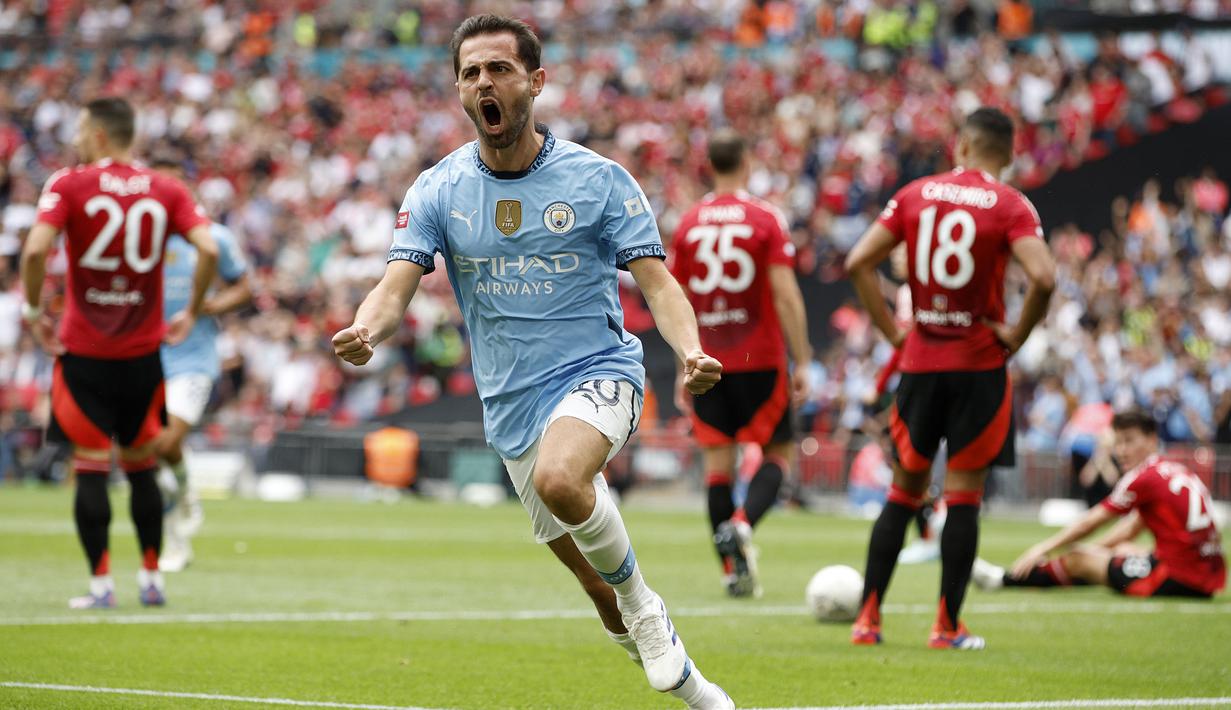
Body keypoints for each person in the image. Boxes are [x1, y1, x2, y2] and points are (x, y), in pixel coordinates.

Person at [331, 15, 732, 709]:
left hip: (597, 371)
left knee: (563, 482)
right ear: (459, 90)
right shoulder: (437, 188)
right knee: (594, 593)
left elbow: (659, 284)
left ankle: (647, 604)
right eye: (469, 73)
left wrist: (690, 349)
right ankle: (700, 694)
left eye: (498, 69)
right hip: (510, 405)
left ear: (535, 82)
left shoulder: (600, 181)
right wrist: (367, 329)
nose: (483, 83)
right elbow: (394, 287)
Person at [843, 107, 1056, 650]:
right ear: (1008, 154)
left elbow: (857, 262)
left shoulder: (916, 193)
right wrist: (1018, 334)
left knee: (903, 491)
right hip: (979, 365)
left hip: (919, 364)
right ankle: (947, 626)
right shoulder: (1010, 204)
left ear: (961, 144)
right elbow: (1045, 277)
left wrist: (894, 332)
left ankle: (868, 620)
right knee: (963, 497)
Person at [20, 97, 218, 609]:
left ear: (102, 134)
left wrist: (33, 313)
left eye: (83, 129)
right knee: (139, 465)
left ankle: (101, 586)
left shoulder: (68, 183)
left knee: (89, 468)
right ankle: (152, 578)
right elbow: (210, 249)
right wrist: (192, 310)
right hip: (142, 356)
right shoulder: (168, 188)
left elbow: (37, 249)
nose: (78, 139)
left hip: (83, 352)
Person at [669, 129, 812, 598]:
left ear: (709, 164)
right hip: (759, 357)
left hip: (707, 358)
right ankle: (744, 523)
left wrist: (681, 363)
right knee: (779, 456)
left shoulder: (689, 223)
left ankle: (733, 572)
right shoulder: (765, 218)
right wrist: (804, 358)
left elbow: (678, 299)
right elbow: (786, 295)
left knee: (717, 469)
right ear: (747, 161)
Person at [974, 409, 1226, 598]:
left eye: (1129, 441)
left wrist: (1044, 548)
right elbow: (1131, 529)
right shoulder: (1175, 468)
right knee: (1121, 550)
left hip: (1177, 577)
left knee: (1080, 560)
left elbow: (1091, 521)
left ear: (1151, 440)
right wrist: (1095, 550)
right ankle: (1059, 570)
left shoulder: (1143, 477)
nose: (1121, 450)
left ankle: (1002, 580)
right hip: (1207, 573)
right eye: (1118, 442)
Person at [151, 157, 252, 572]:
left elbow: (244, 287)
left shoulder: (214, 238)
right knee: (149, 454)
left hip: (192, 358)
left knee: (166, 443)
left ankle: (183, 512)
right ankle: (178, 528)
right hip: (143, 357)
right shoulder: (141, 240)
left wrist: (210, 305)